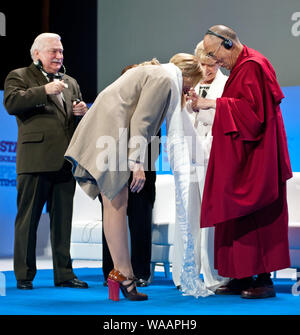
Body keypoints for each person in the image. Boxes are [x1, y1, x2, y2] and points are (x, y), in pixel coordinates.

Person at [65, 55, 202, 301]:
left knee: (113, 202)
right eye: (191, 84)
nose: (189, 89)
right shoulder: (163, 78)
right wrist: (137, 161)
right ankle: (124, 274)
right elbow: (144, 121)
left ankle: (121, 273)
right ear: (186, 74)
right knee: (117, 201)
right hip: (112, 132)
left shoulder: (155, 72)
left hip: (106, 129)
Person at [188, 25, 292, 299]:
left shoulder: (253, 66)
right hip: (241, 153)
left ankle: (263, 279)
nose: (214, 61)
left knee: (257, 213)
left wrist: (212, 104)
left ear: (228, 44)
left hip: (257, 155)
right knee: (234, 212)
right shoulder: (241, 67)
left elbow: (254, 114)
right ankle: (240, 275)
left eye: (214, 54)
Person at [3, 33, 88, 290]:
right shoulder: (19, 76)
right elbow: (12, 102)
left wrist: (81, 112)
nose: (59, 56)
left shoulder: (70, 81)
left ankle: (64, 273)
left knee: (62, 221)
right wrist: (43, 90)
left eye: (61, 52)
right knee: (27, 220)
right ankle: (24, 275)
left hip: (65, 161)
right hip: (35, 160)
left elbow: (73, 116)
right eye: (53, 52)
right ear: (37, 53)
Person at [170, 48, 229, 296]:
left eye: (213, 64)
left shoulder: (227, 86)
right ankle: (185, 272)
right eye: (204, 64)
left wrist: (201, 109)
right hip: (188, 156)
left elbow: (230, 118)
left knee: (211, 217)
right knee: (186, 211)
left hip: (213, 155)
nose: (208, 70)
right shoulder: (183, 85)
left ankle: (215, 276)